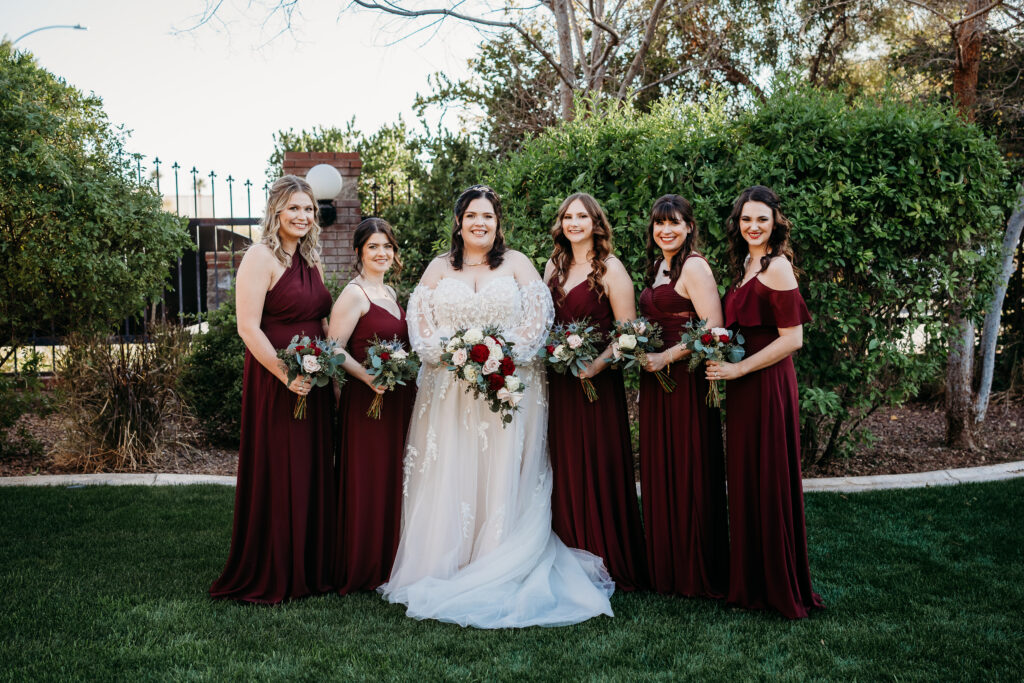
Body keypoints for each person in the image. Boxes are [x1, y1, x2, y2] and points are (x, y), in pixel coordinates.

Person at [378, 185, 614, 628]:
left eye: (487, 216)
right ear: (459, 222)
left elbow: (538, 318)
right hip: (449, 391)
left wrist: (501, 356)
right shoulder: (437, 268)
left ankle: (495, 557)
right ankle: (446, 563)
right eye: (471, 216)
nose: (479, 223)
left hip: (506, 386)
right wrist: (451, 354)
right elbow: (419, 321)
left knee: (500, 469)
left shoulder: (518, 263)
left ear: (497, 222)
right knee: (453, 468)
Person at [210, 175, 335, 604]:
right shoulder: (259, 257)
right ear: (277, 211)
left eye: (309, 209)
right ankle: (276, 567)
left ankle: (310, 567)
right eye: (294, 208)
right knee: (281, 468)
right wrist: (286, 374)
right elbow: (247, 327)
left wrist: (329, 373)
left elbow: (321, 321)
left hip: (313, 378)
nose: (302, 216)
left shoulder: (311, 256)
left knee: (310, 467)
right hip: (275, 376)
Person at [706, 185, 824, 619]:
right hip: (742, 387)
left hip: (768, 383)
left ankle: (778, 586)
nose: (753, 226)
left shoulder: (777, 268)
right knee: (746, 477)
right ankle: (750, 582)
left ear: (775, 222)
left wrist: (738, 370)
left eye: (761, 219)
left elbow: (792, 339)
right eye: (745, 219)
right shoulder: (743, 266)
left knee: (769, 477)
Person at [543, 192, 647, 591]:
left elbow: (631, 331)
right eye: (568, 216)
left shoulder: (611, 269)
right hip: (561, 384)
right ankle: (567, 551)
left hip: (597, 385)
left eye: (582, 216)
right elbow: (540, 321)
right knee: (565, 464)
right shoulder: (553, 266)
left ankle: (606, 553)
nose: (573, 222)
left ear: (595, 224)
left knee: (598, 463)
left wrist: (598, 363)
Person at [637, 194, 729, 598]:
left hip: (685, 379)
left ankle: (694, 568)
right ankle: (665, 567)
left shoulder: (694, 266)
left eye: (674, 223)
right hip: (657, 380)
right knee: (661, 466)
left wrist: (666, 357)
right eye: (659, 223)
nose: (666, 230)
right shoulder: (659, 266)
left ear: (690, 227)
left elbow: (713, 327)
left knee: (688, 464)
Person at [329, 218, 415, 594]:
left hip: (396, 401)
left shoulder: (391, 293)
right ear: (360, 253)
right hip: (368, 402)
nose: (382, 253)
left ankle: (390, 559)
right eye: (373, 248)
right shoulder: (354, 294)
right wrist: (366, 376)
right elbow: (332, 348)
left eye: (387, 247)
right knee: (369, 479)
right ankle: (363, 564)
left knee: (393, 479)